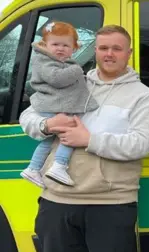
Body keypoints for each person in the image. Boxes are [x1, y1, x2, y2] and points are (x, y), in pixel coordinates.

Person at [19, 25, 149, 252]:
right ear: (94, 50)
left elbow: (141, 144)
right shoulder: (72, 81)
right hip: (57, 200)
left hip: (110, 202)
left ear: (129, 52)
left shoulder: (143, 96)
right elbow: (28, 116)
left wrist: (90, 140)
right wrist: (47, 124)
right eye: (103, 48)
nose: (109, 54)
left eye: (117, 48)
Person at [20, 21, 98, 188]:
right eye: (55, 44)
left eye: (65, 45)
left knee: (48, 141)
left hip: (54, 104)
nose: (60, 48)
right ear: (45, 45)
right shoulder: (45, 61)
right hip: (53, 106)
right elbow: (57, 78)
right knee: (70, 133)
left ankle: (33, 168)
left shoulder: (58, 61)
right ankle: (59, 165)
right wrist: (77, 70)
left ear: (74, 48)